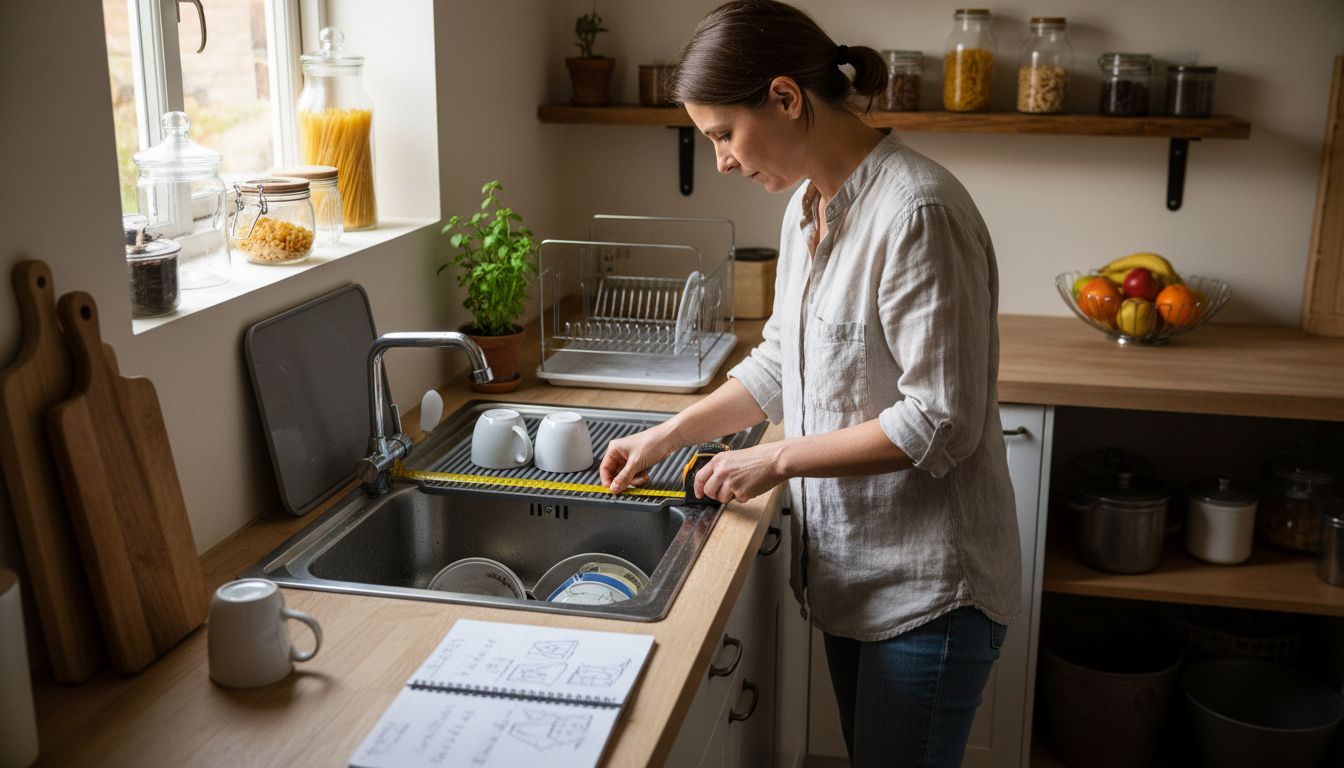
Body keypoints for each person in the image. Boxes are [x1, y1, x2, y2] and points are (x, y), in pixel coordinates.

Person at [598, 2, 1021, 766]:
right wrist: (665, 436)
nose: (722, 160)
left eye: (724, 133)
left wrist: (775, 459)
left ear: (787, 99)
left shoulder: (917, 212)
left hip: (929, 592)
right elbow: (777, 364)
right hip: (855, 574)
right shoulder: (807, 208)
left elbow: (938, 422)